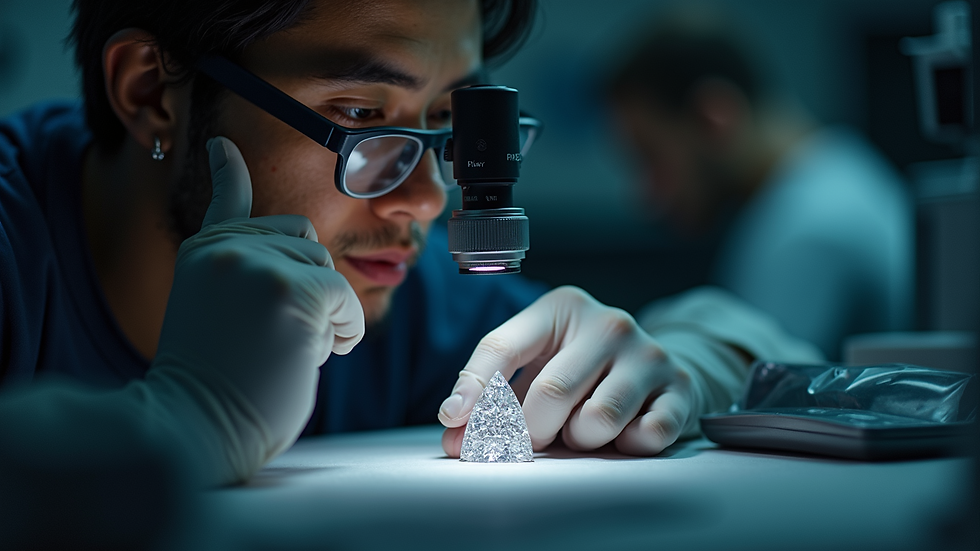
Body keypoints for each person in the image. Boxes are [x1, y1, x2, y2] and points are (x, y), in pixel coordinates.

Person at [0, 0, 821, 545]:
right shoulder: (16, 237)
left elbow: (762, 341)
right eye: (362, 117)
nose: (426, 199)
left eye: (442, 122)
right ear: (150, 91)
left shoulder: (399, 287)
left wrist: (678, 364)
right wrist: (179, 420)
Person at [605, 9, 914, 359]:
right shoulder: (843, 167)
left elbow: (752, 393)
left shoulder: (806, 231)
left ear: (713, 119)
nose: (646, 195)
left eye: (650, 156)